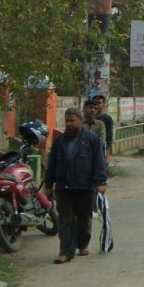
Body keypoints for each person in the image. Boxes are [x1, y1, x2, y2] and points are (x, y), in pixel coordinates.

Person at [42, 107, 107, 264]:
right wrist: (49, 185)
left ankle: (82, 243)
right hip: (64, 187)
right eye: (67, 121)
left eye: (73, 120)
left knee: (84, 218)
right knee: (65, 219)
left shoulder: (91, 139)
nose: (69, 124)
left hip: (85, 187)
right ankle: (65, 251)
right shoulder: (59, 141)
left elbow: (98, 162)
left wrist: (100, 182)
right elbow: (52, 165)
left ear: (80, 120)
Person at [92, 94, 115, 164]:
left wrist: (107, 156)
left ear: (104, 104)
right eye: (95, 102)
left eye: (99, 103)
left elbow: (109, 138)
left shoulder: (107, 119)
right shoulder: (86, 118)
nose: (97, 105)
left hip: (100, 150)